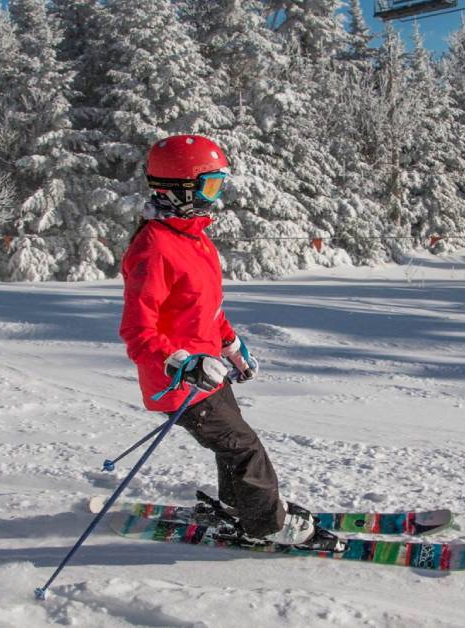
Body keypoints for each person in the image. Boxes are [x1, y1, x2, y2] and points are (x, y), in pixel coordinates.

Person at [118, 134, 315, 546]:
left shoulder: (195, 239)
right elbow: (138, 333)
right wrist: (182, 362)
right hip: (179, 384)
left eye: (219, 184)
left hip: (209, 373)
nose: (217, 194)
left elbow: (205, 307)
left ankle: (237, 506)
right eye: (210, 185)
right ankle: (266, 525)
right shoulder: (153, 249)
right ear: (180, 188)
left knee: (234, 442)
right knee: (245, 449)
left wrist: (230, 344)